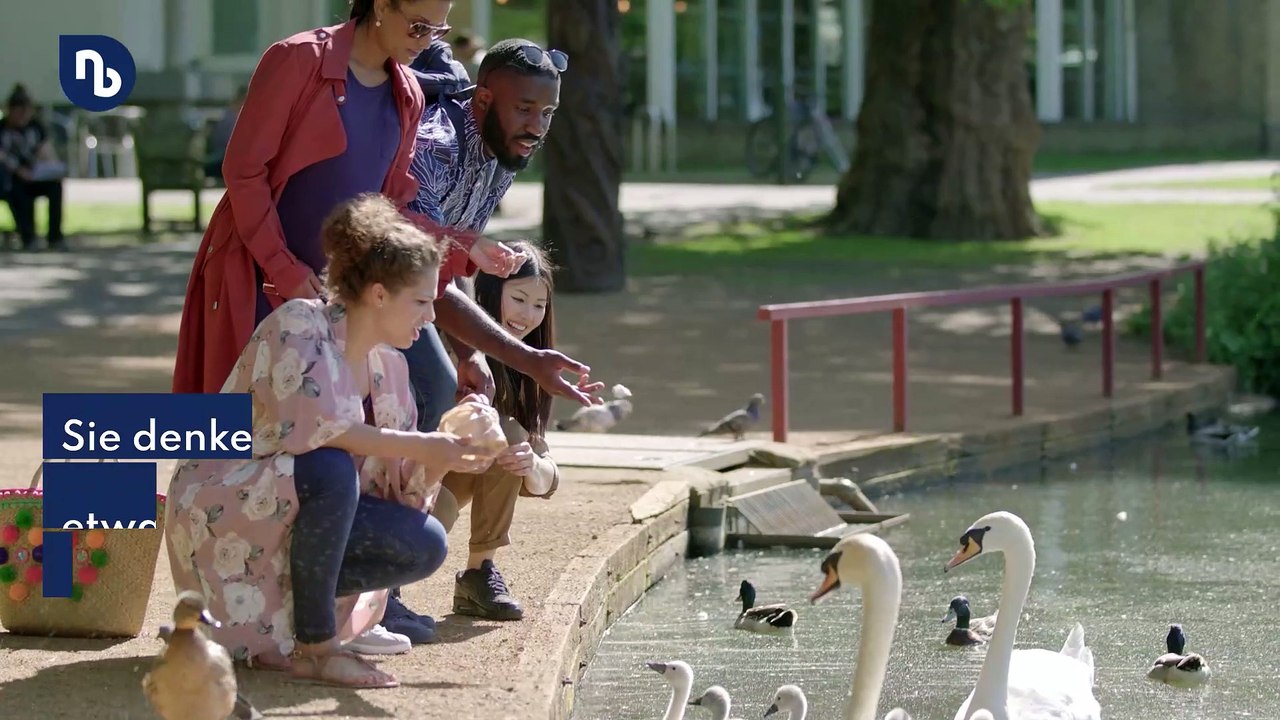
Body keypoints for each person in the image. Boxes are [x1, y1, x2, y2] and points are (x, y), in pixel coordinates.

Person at [164, 193, 500, 688]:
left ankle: (289, 625)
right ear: (380, 295)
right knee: (329, 467)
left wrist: (452, 445)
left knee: (421, 542)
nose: (430, 318)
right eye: (423, 302)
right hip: (225, 503)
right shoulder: (299, 323)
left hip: (292, 512)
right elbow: (317, 433)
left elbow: (398, 488)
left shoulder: (391, 366)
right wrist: (423, 444)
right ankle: (318, 647)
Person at [169, 0, 526, 399]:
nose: (425, 42)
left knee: (355, 423)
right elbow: (244, 171)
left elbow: (392, 210)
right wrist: (281, 267)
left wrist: (465, 245)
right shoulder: (298, 59)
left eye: (436, 31)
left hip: (340, 292)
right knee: (242, 428)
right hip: (255, 274)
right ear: (381, 6)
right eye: (417, 26)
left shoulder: (407, 92)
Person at [367, 38, 585, 642]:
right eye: (524, 110)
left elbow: (443, 276)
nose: (535, 127)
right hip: (366, 304)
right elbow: (415, 256)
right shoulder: (438, 143)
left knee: (480, 411)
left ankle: (455, 573)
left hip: (414, 306)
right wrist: (520, 355)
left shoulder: (498, 153)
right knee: (431, 392)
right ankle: (378, 588)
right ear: (485, 98)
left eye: (547, 114)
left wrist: (473, 355)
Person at [431, 240, 561, 621]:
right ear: (487, 292)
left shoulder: (528, 369)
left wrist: (531, 465)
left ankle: (479, 572)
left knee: (510, 435)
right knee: (421, 536)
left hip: (453, 472)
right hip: (418, 471)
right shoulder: (455, 349)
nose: (528, 315)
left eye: (539, 306)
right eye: (518, 299)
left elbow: (549, 480)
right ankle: (382, 588)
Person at [0, 84, 65, 251]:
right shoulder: (2, 129)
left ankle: (55, 237)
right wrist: (20, 171)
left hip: (35, 175)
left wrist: (52, 169)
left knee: (55, 187)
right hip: (11, 179)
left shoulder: (36, 127)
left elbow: (46, 150)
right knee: (17, 191)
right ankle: (28, 237)